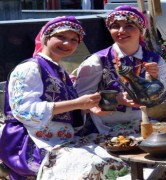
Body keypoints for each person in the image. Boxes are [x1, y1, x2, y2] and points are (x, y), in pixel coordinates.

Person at [0, 16, 129, 179]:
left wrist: (88, 109)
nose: (67, 43)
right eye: (61, 37)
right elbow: (25, 111)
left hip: (60, 139)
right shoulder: (29, 68)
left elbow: (67, 113)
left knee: (117, 152)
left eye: (74, 40)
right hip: (29, 143)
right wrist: (76, 103)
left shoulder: (61, 73)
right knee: (98, 166)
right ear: (46, 37)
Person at [74, 5, 166, 136]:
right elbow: (80, 99)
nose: (121, 31)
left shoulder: (154, 60)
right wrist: (115, 99)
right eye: (115, 26)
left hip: (140, 122)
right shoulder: (97, 61)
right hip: (103, 127)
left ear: (141, 30)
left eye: (129, 26)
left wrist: (156, 79)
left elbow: (165, 98)